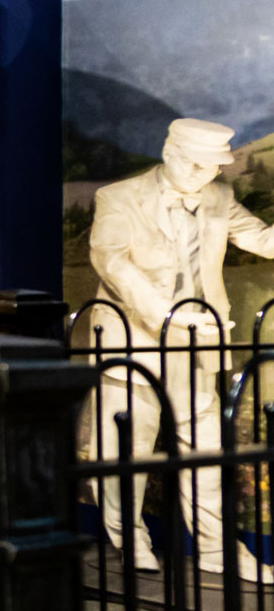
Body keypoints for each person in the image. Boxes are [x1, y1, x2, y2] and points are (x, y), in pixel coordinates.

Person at [82, 118, 274, 581]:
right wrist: (165, 314)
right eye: (193, 164)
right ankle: (128, 539)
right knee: (125, 452)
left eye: (211, 167)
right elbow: (111, 262)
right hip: (134, 340)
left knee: (206, 452)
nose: (201, 175)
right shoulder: (119, 198)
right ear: (169, 152)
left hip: (197, 346)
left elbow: (260, 238)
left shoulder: (217, 197)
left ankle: (216, 549)